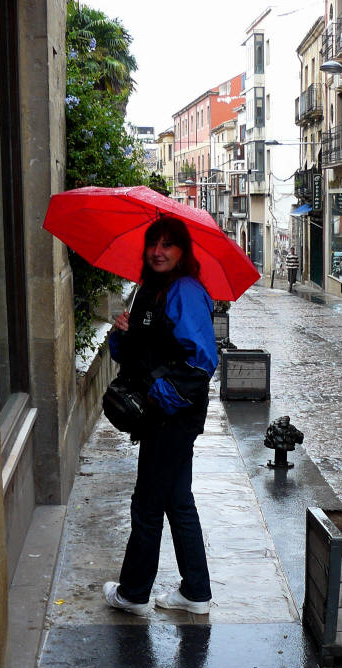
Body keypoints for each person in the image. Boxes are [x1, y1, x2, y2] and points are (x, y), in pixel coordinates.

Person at [102, 216, 218, 616]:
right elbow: (135, 355)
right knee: (176, 499)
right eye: (154, 244)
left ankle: (134, 593)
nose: (159, 251)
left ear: (182, 252)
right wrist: (121, 333)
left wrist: (157, 398)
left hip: (173, 416)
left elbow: (202, 362)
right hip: (162, 416)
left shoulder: (185, 291)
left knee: (149, 504)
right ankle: (196, 592)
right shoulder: (150, 291)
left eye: (169, 245)